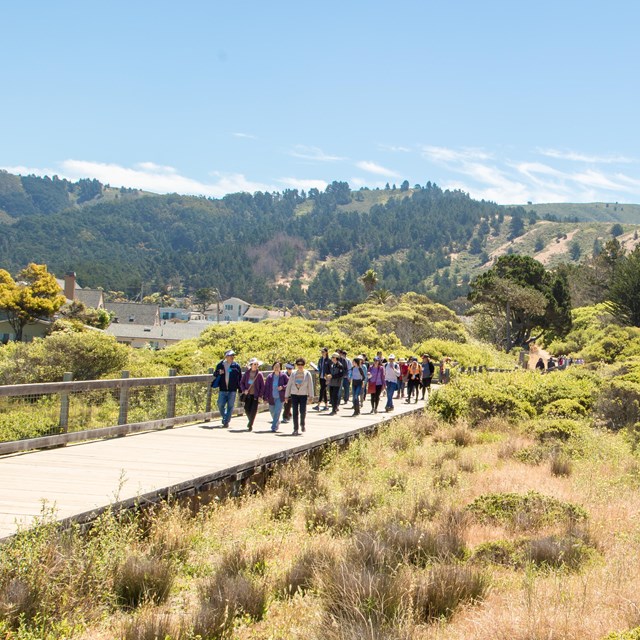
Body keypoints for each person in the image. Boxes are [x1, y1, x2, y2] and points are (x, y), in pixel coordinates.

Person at [284, 358, 315, 435]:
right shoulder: (293, 374)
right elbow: (289, 385)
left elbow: (310, 385)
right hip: (294, 394)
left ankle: (302, 423)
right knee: (295, 411)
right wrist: (286, 396)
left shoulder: (307, 374)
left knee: (302, 411)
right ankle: (295, 428)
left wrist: (311, 396)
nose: (300, 366)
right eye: (298, 364)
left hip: (303, 394)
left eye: (302, 364)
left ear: (304, 365)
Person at [214, 349, 242, 428]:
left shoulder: (236, 366)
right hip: (222, 389)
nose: (232, 357)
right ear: (226, 356)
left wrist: (240, 389)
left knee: (230, 406)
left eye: (233, 355)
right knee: (220, 404)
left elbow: (240, 378)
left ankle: (226, 421)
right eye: (230, 355)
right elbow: (214, 374)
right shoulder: (220, 365)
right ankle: (225, 417)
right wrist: (219, 372)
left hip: (232, 390)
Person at [239, 358, 265, 431]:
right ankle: (250, 420)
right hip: (248, 395)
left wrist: (260, 395)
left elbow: (262, 386)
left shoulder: (259, 374)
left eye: (257, 364)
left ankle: (250, 424)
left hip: (255, 396)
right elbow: (242, 383)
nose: (256, 366)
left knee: (253, 410)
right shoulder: (247, 373)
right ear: (251, 365)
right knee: (247, 409)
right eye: (254, 364)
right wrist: (244, 390)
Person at [263, 361, 288, 432]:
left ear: (280, 368)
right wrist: (265, 398)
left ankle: (274, 427)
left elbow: (289, 384)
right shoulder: (270, 377)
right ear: (273, 367)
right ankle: (276, 422)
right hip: (271, 397)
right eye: (275, 367)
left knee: (277, 411)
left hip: (280, 397)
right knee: (272, 411)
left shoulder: (283, 376)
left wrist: (282, 387)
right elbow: (266, 388)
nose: (276, 368)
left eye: (278, 367)